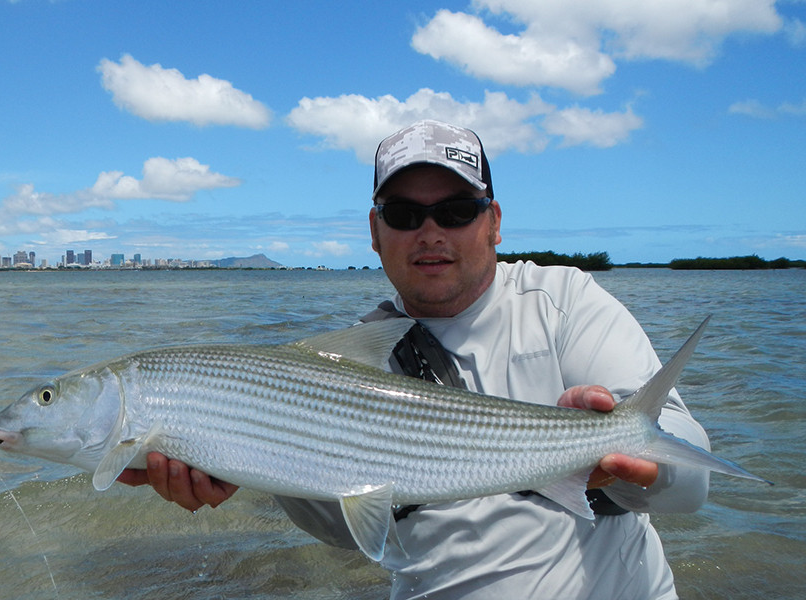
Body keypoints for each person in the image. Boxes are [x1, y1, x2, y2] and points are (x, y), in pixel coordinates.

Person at [117, 120, 712, 599]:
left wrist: (633, 460)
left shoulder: (563, 300)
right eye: (404, 214)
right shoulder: (341, 358)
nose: (429, 232)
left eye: (455, 210)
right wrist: (245, 464)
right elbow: (351, 535)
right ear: (375, 232)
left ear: (494, 222)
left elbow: (693, 484)